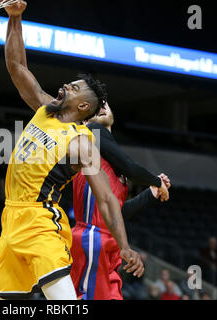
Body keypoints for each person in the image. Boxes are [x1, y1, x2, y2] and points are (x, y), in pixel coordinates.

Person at [0, 0, 144, 300]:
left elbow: (107, 200)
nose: (66, 86)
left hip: (40, 222)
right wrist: (15, 18)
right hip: (10, 219)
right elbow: (17, 67)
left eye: (73, 88)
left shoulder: (81, 142)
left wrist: (124, 246)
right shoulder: (44, 108)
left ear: (84, 107)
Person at [70, 101, 170, 300]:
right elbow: (130, 167)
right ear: (85, 118)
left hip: (107, 240)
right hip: (91, 236)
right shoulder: (91, 132)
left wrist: (150, 193)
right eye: (95, 106)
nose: (101, 107)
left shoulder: (108, 156)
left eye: (104, 104)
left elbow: (118, 213)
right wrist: (157, 181)